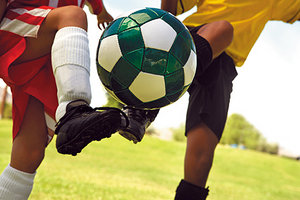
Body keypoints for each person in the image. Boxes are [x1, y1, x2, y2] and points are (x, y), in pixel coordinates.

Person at [121, 0, 300, 199]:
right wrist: (164, 31)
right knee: (223, 29)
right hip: (192, 41)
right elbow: (170, 8)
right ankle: (143, 107)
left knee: (203, 151)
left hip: (222, 64)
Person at [0, 0, 130, 199]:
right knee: (72, 16)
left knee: (30, 154)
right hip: (18, 25)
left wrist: (102, 13)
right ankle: (74, 108)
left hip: (44, 55)